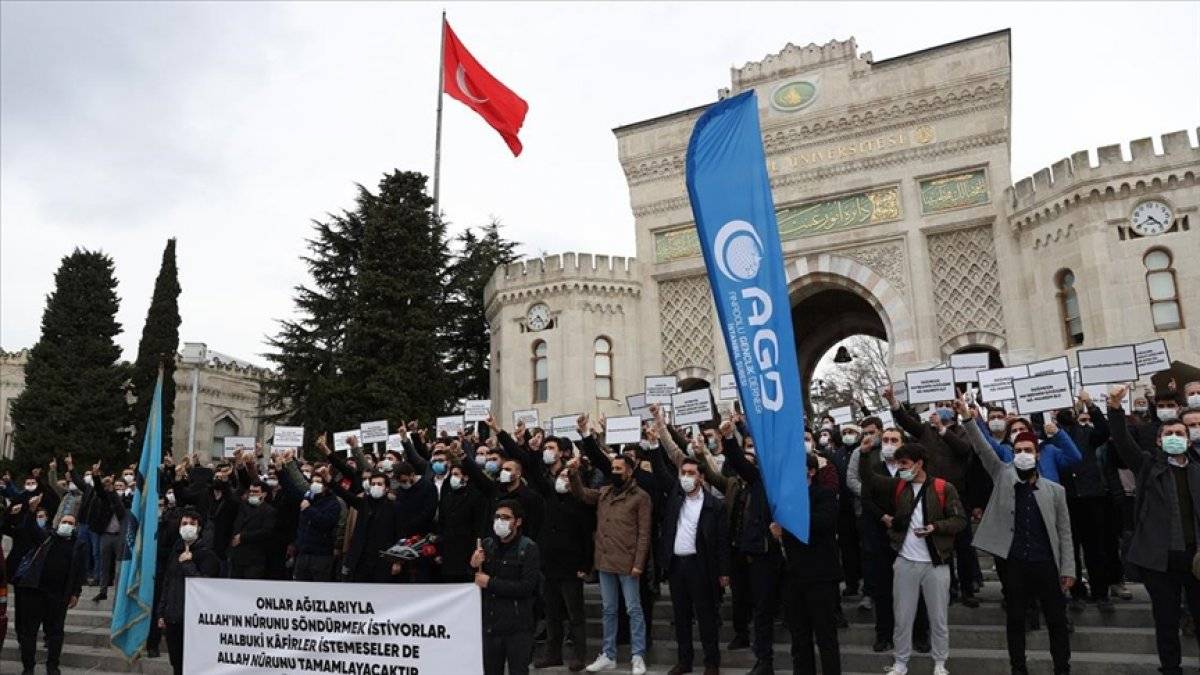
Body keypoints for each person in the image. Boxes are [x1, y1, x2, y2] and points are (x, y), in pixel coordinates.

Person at [961, 401, 1074, 675]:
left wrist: (1068, 568)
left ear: (1037, 454)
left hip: (1046, 562)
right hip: (1014, 563)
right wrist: (968, 419)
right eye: (1019, 450)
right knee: (1015, 619)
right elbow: (983, 447)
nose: (1023, 454)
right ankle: (1018, 668)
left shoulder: (1055, 490)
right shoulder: (1002, 474)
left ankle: (1062, 667)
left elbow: (1064, 531)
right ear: (1013, 454)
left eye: (1029, 451)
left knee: (1056, 621)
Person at [1106, 385, 1200, 675]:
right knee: (1166, 620)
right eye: (1168, 435)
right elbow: (1122, 441)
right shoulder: (1148, 466)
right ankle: (1170, 668)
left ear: (1188, 439)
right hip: (1160, 561)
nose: (1174, 438)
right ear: (1159, 441)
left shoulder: (1198, 468)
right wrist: (1114, 408)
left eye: (1179, 434)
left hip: (1196, 559)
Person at [859, 434, 967, 675]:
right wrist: (865, 454)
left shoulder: (943, 488)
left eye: (904, 464)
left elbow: (960, 520)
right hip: (905, 562)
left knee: (938, 618)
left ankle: (940, 662)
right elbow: (870, 480)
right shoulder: (898, 485)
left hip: (936, 563)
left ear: (918, 463)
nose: (900, 468)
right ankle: (900, 662)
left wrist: (935, 528)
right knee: (903, 617)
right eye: (898, 464)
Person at [567, 452, 651, 675]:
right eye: (612, 468)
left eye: (618, 469)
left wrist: (639, 563)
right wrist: (574, 473)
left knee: (634, 609)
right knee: (608, 610)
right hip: (605, 561)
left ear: (630, 471)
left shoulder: (640, 497)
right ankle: (608, 654)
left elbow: (644, 534)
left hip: (628, 562)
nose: (614, 472)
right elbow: (582, 494)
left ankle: (638, 655)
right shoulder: (604, 493)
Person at [719, 417, 784, 675]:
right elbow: (736, 461)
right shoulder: (748, 485)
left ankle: (764, 659)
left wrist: (743, 430)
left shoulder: (769, 482)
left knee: (763, 608)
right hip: (746, 552)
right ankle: (759, 656)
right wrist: (728, 437)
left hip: (767, 555)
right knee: (747, 603)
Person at [655, 455, 728, 675]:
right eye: (683, 473)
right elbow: (660, 471)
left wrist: (724, 572)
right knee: (681, 617)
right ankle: (684, 661)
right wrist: (654, 445)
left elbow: (722, 541)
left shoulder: (713, 505)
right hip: (677, 565)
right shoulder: (675, 500)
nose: (686, 477)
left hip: (701, 566)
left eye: (691, 473)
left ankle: (711, 662)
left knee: (706, 617)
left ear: (701, 477)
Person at [779, 453, 842, 675]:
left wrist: (787, 522)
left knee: (826, 637)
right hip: (793, 576)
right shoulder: (785, 498)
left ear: (811, 471)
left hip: (820, 577)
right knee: (799, 638)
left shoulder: (824, 495)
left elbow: (824, 522)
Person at [476, 500, 543, 675]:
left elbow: (526, 587)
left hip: (518, 628)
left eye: (506, 517)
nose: (500, 521)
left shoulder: (528, 548)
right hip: (491, 625)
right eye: (497, 517)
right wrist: (473, 566)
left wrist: (490, 583)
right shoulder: (487, 545)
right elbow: (476, 582)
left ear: (517, 521)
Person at [158, 508, 220, 675]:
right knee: (176, 663)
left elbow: (204, 586)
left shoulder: (207, 555)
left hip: (194, 620)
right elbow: (167, 582)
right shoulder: (175, 551)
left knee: (191, 665)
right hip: (173, 617)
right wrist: (161, 612)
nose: (188, 527)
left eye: (192, 524)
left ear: (199, 528)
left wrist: (188, 564)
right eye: (184, 524)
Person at [227, 479, 277, 580]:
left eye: (256, 492)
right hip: (237, 556)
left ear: (264, 494)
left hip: (254, 558)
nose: (252, 494)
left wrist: (243, 537)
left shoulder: (269, 511)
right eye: (251, 491)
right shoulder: (243, 507)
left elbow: (266, 532)